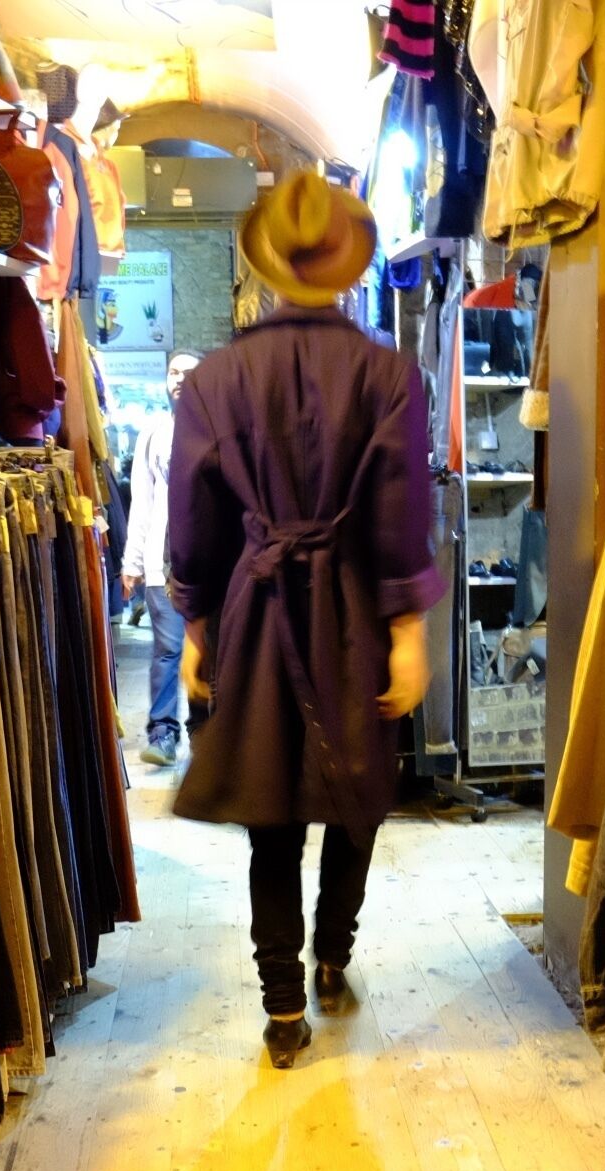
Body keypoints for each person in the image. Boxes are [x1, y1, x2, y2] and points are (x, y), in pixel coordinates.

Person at [166, 173, 440, 1068]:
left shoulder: (214, 379)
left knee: (271, 815)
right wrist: (408, 633)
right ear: (350, 262)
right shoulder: (390, 375)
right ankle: (330, 962)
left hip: (257, 609)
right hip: (354, 609)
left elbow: (194, 525)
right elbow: (401, 516)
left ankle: (283, 1009)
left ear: (267, 263)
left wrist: (197, 630)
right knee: (356, 799)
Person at [119, 351, 200, 762]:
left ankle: (205, 734)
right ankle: (162, 734)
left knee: (210, 654)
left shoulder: (218, 427)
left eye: (189, 372)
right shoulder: (153, 431)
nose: (180, 379)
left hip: (207, 565)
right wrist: (132, 563)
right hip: (160, 564)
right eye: (173, 372)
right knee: (168, 650)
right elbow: (143, 502)